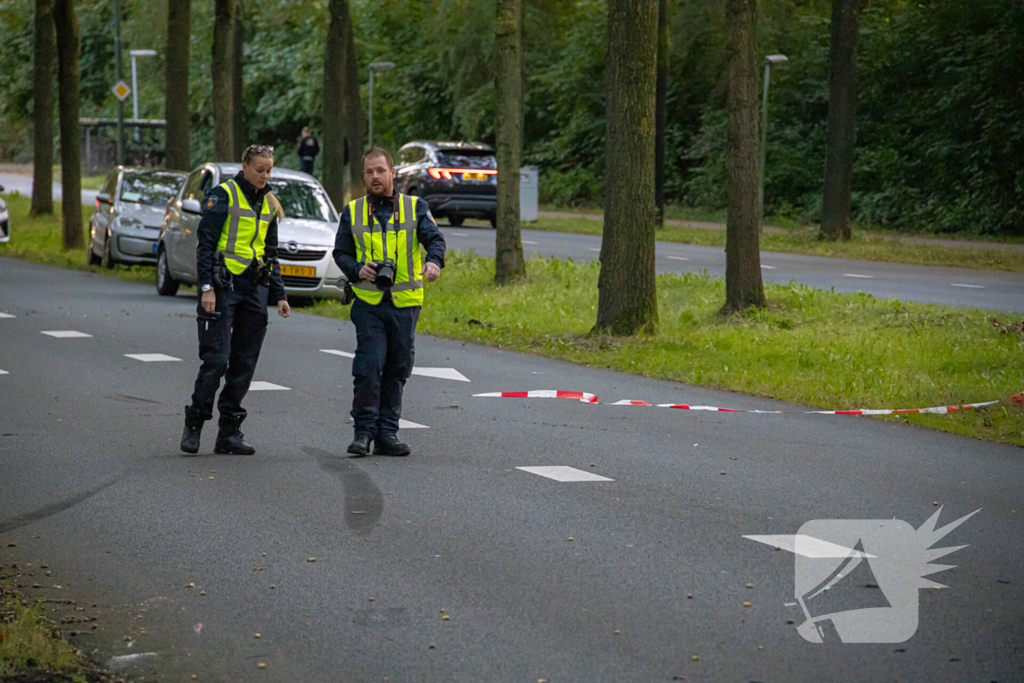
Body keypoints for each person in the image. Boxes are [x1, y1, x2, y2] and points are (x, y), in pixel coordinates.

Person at [332, 147, 446, 457]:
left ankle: (387, 434)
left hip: (405, 302)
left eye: (381, 171)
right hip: (369, 301)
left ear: (393, 173)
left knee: (397, 367)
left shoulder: (415, 207)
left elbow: (435, 239)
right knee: (369, 366)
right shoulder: (352, 211)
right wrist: (358, 269)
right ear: (363, 177)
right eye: (369, 172)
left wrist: (434, 261)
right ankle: (363, 433)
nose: (375, 177)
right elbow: (340, 252)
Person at [180, 144, 291, 456]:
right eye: (259, 169)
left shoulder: (270, 203)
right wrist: (206, 289)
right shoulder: (224, 195)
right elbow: (206, 245)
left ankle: (229, 432)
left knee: (244, 363)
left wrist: (279, 294)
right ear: (245, 167)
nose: (264, 175)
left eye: (268, 170)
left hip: (255, 289)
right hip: (223, 286)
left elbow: (271, 254)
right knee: (216, 360)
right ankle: (195, 422)